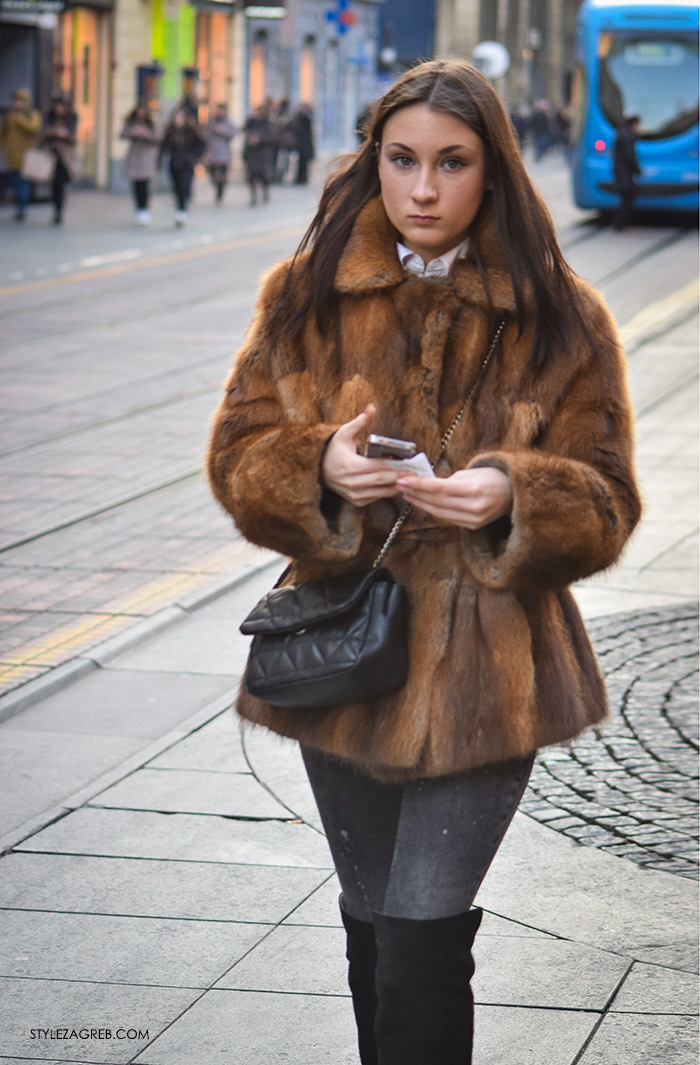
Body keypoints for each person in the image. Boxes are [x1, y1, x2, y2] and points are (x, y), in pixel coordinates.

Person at [207, 58, 641, 1064]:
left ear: (492, 172)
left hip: (494, 670)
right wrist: (319, 467)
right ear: (375, 164)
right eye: (401, 160)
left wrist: (510, 495)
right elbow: (238, 458)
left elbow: (607, 499)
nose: (423, 189)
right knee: (371, 929)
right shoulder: (305, 298)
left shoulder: (563, 319)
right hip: (344, 659)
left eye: (452, 163)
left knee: (424, 937)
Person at [158, 108, 205, 226]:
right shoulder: (170, 132)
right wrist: (159, 160)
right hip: (174, 163)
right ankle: (179, 210)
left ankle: (182, 210)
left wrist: (193, 156)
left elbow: (201, 144)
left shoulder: (191, 131)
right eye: (176, 117)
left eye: (180, 117)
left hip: (187, 164)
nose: (178, 120)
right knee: (176, 187)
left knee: (184, 186)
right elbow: (164, 146)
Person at [0, 88, 42, 220]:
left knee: (22, 182)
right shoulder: (9, 116)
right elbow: (3, 134)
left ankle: (21, 208)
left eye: (20, 100)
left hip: (27, 155)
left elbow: (34, 128)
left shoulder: (31, 114)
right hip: (12, 155)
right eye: (15, 100)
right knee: (15, 181)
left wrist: (19, 120)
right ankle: (19, 206)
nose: (17, 103)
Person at [121, 103, 159, 225]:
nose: (141, 113)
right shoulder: (131, 122)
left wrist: (145, 133)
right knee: (136, 185)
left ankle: (145, 209)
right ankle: (139, 209)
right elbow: (123, 134)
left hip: (146, 158)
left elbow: (157, 138)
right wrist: (134, 132)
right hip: (134, 157)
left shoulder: (151, 124)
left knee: (145, 185)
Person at [42, 99, 76, 225]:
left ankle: (59, 211)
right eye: (57, 106)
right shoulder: (49, 117)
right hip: (51, 155)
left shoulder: (71, 119)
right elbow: (41, 135)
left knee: (61, 184)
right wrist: (51, 133)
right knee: (52, 184)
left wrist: (64, 135)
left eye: (61, 106)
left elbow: (73, 138)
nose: (59, 109)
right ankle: (55, 208)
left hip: (64, 157)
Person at [612, 115, 641, 232]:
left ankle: (620, 224)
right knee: (627, 198)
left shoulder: (622, 134)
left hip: (621, 173)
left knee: (626, 198)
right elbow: (630, 155)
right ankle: (619, 224)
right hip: (624, 173)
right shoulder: (626, 136)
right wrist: (637, 169)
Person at [204, 102, 237, 204]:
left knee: (223, 175)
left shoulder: (228, 122)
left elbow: (233, 133)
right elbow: (204, 134)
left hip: (224, 153)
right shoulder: (212, 122)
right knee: (212, 172)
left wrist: (222, 132)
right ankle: (217, 187)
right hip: (212, 152)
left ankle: (220, 191)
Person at [242, 105, 273, 206]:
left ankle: (265, 192)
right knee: (251, 176)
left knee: (263, 175)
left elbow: (271, 137)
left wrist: (259, 139)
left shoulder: (267, 124)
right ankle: (253, 196)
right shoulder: (250, 123)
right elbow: (243, 132)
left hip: (262, 154)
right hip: (251, 154)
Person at [292, 101, 315, 184]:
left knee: (304, 163)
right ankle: (301, 178)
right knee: (302, 163)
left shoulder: (306, 117)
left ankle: (302, 178)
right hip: (302, 144)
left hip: (304, 144)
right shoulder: (303, 117)